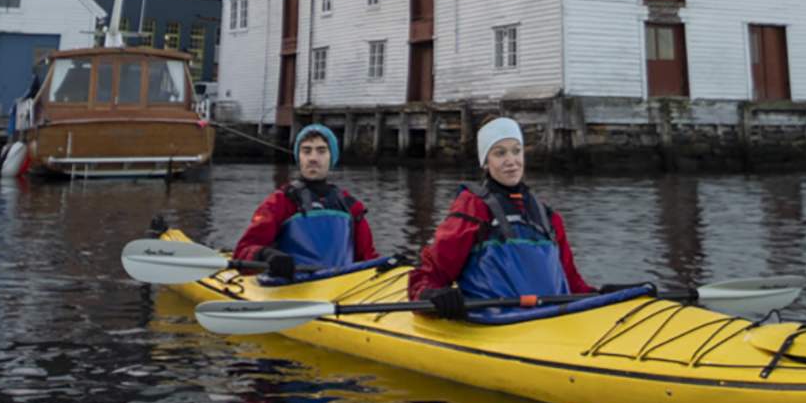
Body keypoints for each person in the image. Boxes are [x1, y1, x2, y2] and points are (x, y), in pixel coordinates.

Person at [408, 116, 596, 318]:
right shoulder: (473, 207)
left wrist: (603, 295)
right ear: (485, 162)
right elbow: (432, 273)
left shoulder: (548, 216)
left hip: (550, 321)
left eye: (517, 151)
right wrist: (429, 293)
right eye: (500, 153)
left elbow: (572, 281)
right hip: (497, 323)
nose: (511, 161)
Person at [232, 124, 376, 280]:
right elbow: (243, 251)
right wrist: (266, 254)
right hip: (292, 286)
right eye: (306, 151)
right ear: (299, 157)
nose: (313, 158)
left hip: (340, 286)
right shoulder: (279, 202)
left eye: (321, 151)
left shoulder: (351, 207)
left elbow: (368, 257)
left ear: (331, 157)